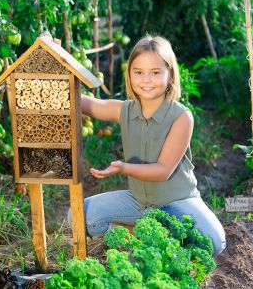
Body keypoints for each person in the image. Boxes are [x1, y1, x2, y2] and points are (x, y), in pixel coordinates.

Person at [65, 34, 226, 257]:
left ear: (170, 75)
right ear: (129, 74)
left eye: (155, 72)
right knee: (78, 216)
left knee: (213, 242)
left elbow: (162, 171)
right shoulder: (125, 110)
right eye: (138, 72)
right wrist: (56, 61)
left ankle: (156, 236)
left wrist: (123, 168)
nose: (146, 80)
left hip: (176, 202)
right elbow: (86, 103)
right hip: (139, 203)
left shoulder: (181, 117)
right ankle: (141, 234)